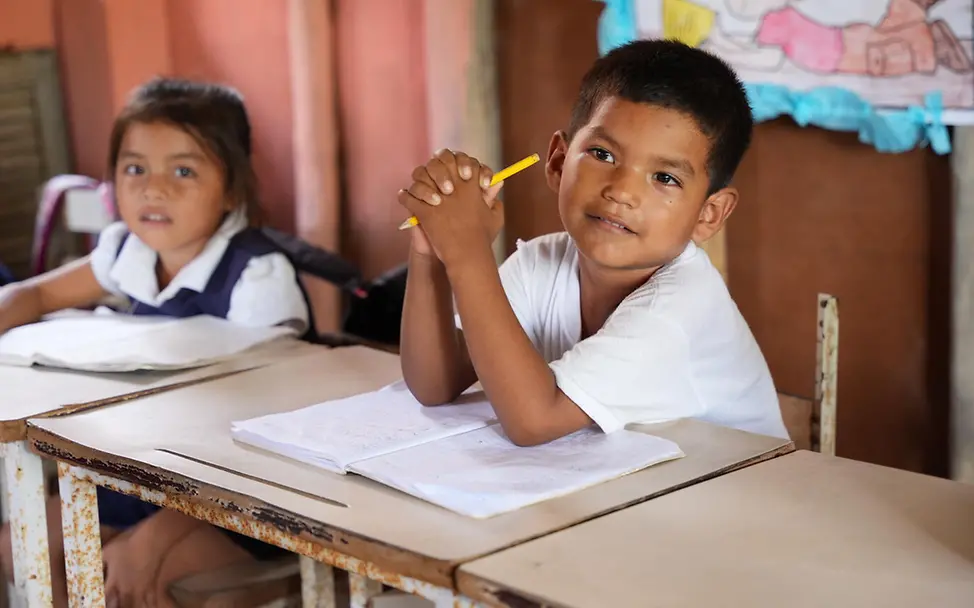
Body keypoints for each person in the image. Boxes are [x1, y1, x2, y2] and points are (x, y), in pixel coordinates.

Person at [0, 77, 308, 607]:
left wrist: (153, 539)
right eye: (135, 168)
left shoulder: (256, 276)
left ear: (233, 188)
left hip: (242, 499)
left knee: (156, 583)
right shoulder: (129, 250)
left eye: (183, 170)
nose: (153, 189)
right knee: (18, 542)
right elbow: (31, 295)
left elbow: (268, 449)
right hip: (145, 474)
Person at [397, 39, 788, 448]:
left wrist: (468, 253)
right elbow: (435, 384)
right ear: (558, 162)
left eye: (665, 178)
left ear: (709, 214)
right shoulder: (541, 263)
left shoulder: (677, 311)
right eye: (602, 154)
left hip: (739, 498)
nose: (622, 191)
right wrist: (431, 249)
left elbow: (532, 420)